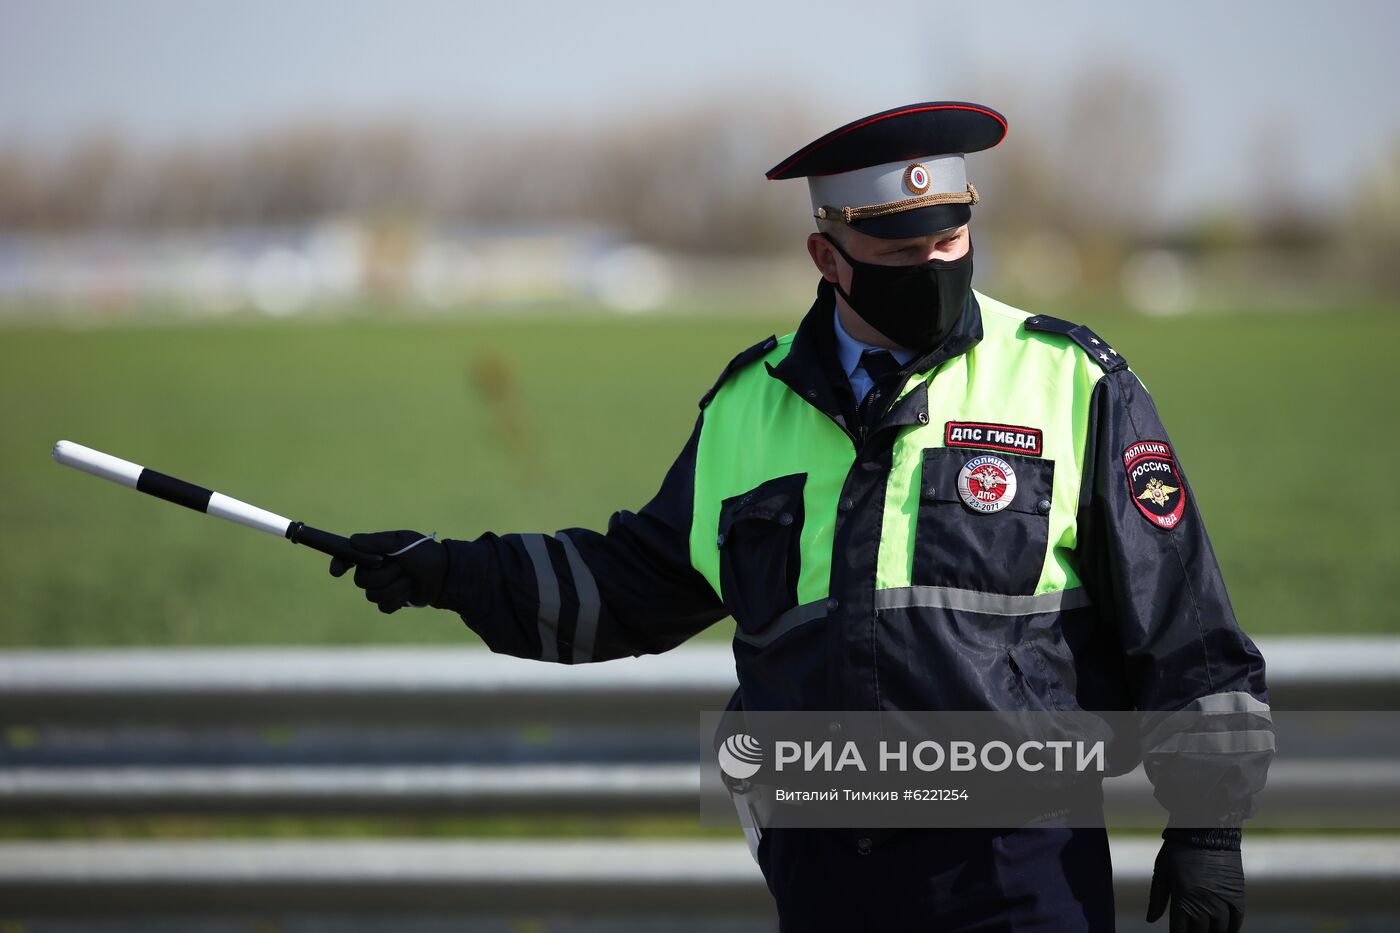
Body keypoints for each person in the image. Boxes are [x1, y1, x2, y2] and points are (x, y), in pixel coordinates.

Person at [328, 101, 1274, 931]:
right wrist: (450, 572)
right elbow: (630, 587)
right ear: (827, 255)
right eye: (903, 253)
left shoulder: (1071, 381)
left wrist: (1208, 828)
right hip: (825, 872)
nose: (936, 268)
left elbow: (1185, 625)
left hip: (1017, 870)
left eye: (951, 242)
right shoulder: (748, 407)